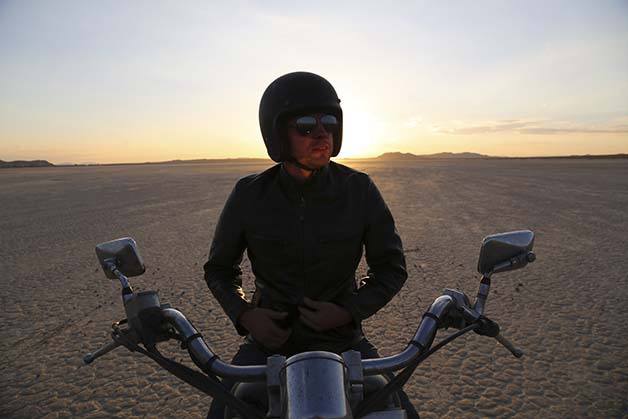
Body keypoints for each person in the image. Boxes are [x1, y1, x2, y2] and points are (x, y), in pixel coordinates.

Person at [204, 71, 419, 417]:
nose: (322, 133)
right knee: (223, 411)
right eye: (305, 124)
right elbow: (219, 269)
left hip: (344, 343)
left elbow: (391, 268)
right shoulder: (249, 194)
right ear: (278, 134)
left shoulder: (359, 190)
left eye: (329, 122)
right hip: (268, 347)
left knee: (399, 410)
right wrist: (246, 315)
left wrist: (349, 311)